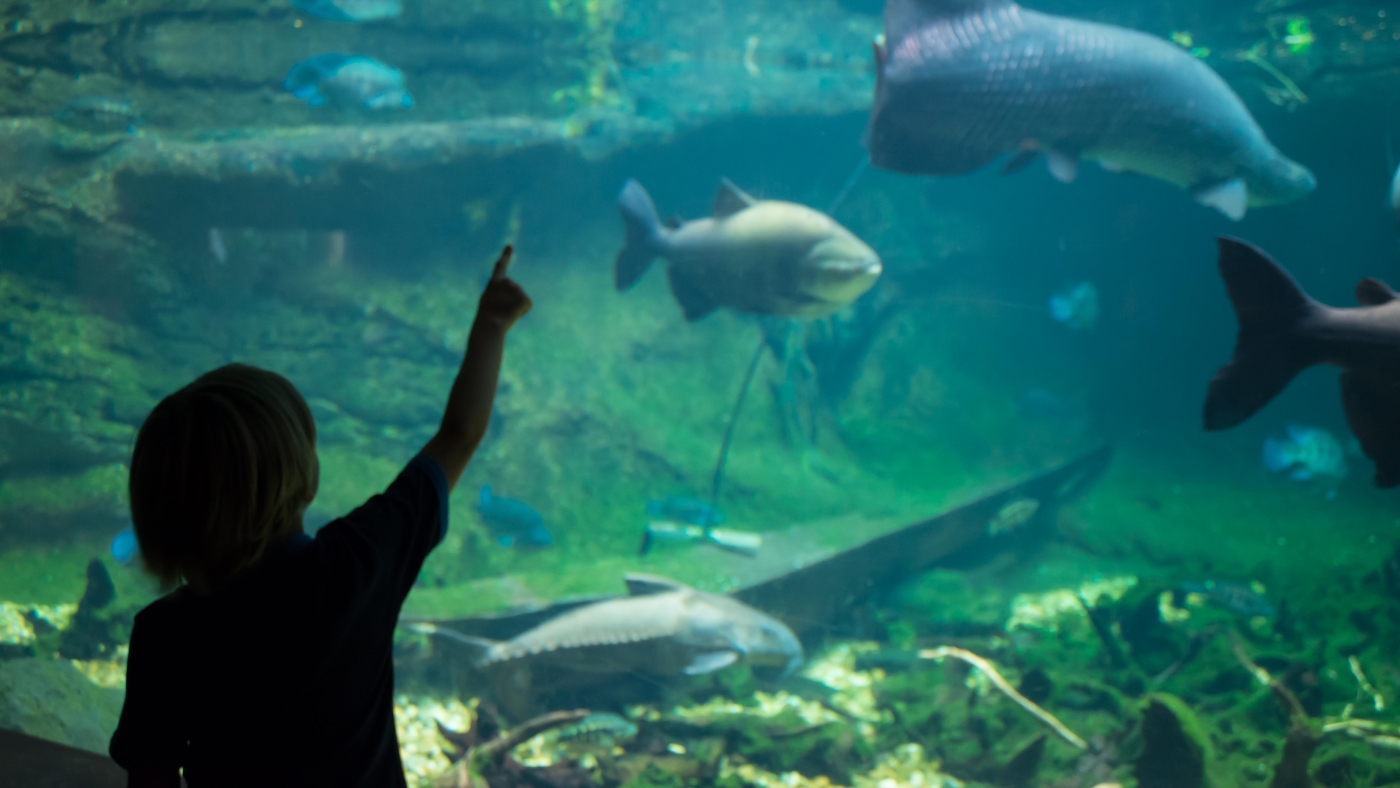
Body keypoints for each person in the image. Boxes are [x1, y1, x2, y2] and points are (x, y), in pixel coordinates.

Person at [109, 247, 532, 787]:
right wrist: (492, 325)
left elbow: (152, 777)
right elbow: (458, 436)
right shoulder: (355, 567)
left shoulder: (163, 635)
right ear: (305, 481)